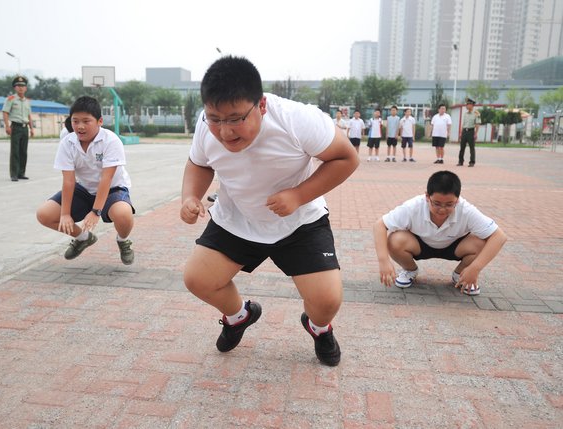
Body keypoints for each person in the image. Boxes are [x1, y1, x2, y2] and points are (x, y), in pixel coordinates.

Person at [180, 56, 359, 366]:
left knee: (326, 301)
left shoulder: (297, 119)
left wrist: (299, 195)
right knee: (197, 279)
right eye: (215, 118)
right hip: (237, 219)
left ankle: (319, 328)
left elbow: (347, 158)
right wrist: (191, 196)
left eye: (236, 118)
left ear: (260, 105)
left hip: (299, 222)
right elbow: (198, 163)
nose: (225, 132)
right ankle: (239, 317)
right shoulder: (204, 124)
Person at [36, 96, 136, 265]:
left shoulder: (111, 141)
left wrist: (96, 211)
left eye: (86, 121)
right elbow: (68, 181)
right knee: (44, 215)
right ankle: (83, 238)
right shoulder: (67, 143)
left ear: (99, 121)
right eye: (75, 121)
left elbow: (107, 178)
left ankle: (123, 240)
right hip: (83, 189)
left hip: (112, 188)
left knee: (123, 214)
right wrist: (65, 214)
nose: (80, 126)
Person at [372, 171, 507, 296]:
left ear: (457, 200)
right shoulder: (413, 206)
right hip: (420, 245)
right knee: (395, 239)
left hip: (455, 246)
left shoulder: (466, 210)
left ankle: (461, 275)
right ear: (427, 196)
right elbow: (380, 225)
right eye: (436, 203)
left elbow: (499, 236)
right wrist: (384, 261)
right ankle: (409, 270)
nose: (442, 209)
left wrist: (475, 268)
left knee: (481, 242)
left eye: (449, 204)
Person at [2, 76, 34, 181]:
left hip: (25, 128)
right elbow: (5, 112)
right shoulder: (11, 99)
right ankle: (14, 174)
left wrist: (31, 128)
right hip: (15, 127)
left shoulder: (27, 101)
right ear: (15, 88)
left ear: (26, 88)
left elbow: (29, 116)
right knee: (15, 151)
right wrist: (7, 126)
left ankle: (21, 173)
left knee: (23, 151)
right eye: (18, 86)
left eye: (23, 86)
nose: (21, 88)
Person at [458, 98, 481, 167]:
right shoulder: (465, 114)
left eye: (467, 104)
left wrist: (476, 133)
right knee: (462, 147)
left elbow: (477, 124)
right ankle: (460, 161)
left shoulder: (476, 113)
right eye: (466, 104)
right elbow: (463, 124)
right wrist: (461, 132)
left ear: (471, 105)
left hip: (471, 132)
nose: (466, 106)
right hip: (465, 131)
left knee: (471, 148)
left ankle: (472, 162)